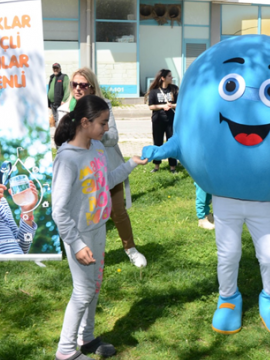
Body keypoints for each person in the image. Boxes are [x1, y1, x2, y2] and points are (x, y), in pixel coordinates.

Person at [52, 95, 148, 360]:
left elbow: (106, 181)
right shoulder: (67, 160)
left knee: (94, 285)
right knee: (82, 291)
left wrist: (130, 164)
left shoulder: (96, 148)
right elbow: (58, 210)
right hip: (79, 235)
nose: (107, 128)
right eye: (103, 123)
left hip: (97, 228)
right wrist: (76, 243)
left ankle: (87, 337)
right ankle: (65, 351)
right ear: (85, 122)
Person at [59, 67, 147, 268]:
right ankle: (81, 249)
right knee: (81, 212)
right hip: (80, 173)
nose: (78, 89)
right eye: (74, 84)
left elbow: (113, 136)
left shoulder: (104, 105)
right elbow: (60, 141)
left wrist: (90, 132)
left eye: (83, 85)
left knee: (118, 211)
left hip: (107, 168)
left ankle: (130, 249)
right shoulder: (65, 109)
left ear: (92, 87)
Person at [146, 69, 178, 174]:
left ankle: (173, 167)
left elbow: (180, 104)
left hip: (171, 121)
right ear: (163, 78)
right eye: (169, 76)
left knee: (171, 143)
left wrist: (172, 105)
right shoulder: (154, 91)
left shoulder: (174, 89)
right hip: (158, 121)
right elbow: (151, 106)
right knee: (158, 143)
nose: (171, 77)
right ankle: (156, 166)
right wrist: (162, 106)